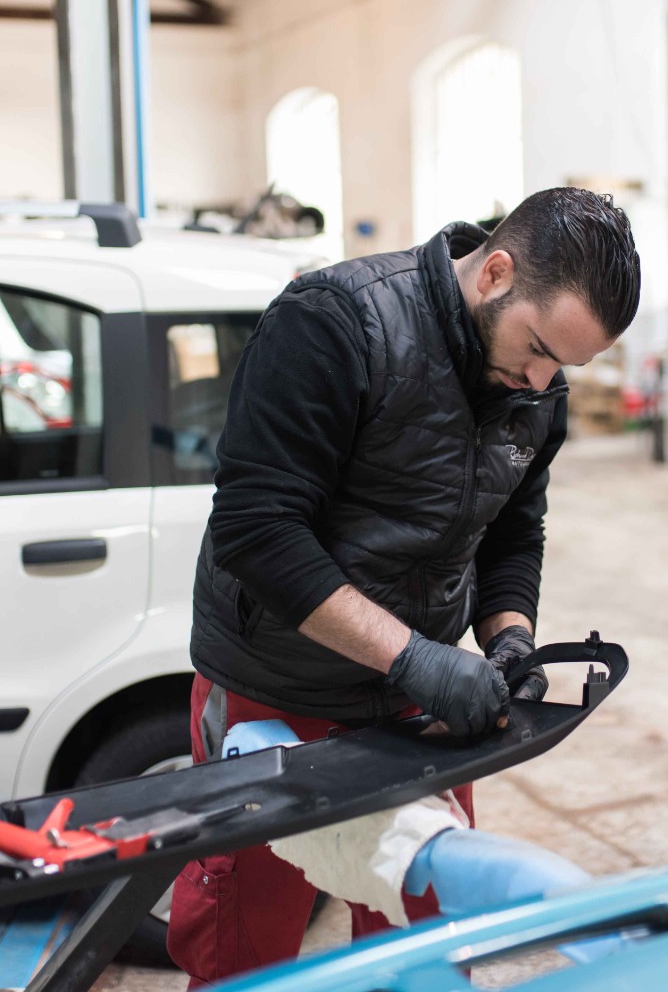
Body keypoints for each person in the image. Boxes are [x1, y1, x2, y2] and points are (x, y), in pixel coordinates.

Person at [166, 187, 642, 984]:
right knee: (243, 937)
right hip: (274, 692)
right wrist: (415, 658)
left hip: (415, 705)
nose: (540, 380)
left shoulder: (537, 385)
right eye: (537, 347)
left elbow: (514, 530)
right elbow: (259, 531)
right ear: (494, 273)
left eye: (565, 364)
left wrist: (507, 635)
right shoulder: (334, 323)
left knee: (425, 927)